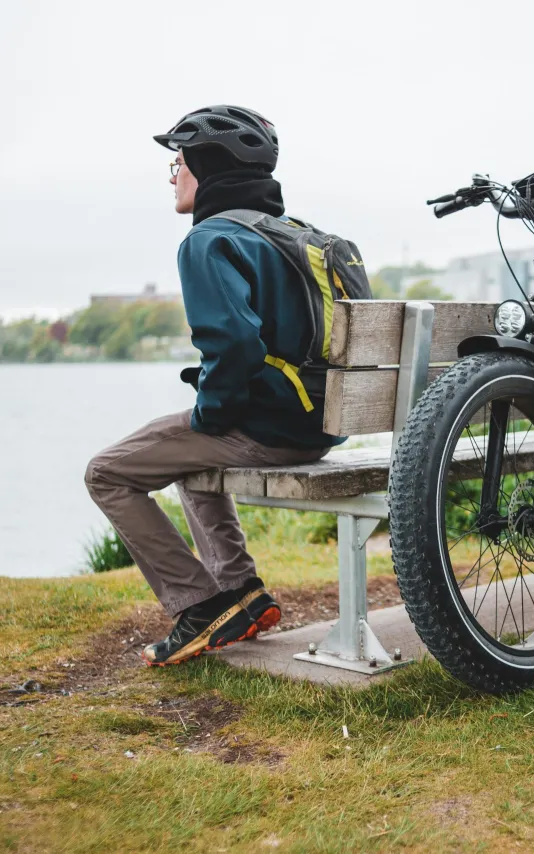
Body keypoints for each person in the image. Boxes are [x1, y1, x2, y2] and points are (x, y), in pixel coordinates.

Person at [84, 105, 346, 666]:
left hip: (271, 431)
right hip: (324, 426)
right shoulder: (309, 237)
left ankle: (199, 606)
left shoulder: (209, 240)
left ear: (208, 167)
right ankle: (241, 595)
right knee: (181, 454)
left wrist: (209, 413)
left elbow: (234, 347)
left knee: (107, 471)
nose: (173, 176)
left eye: (178, 162)